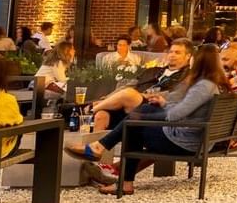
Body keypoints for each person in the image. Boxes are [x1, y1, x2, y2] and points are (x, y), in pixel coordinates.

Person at [78, 43, 227, 194]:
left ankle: (118, 174)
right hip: (197, 139)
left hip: (187, 143)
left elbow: (175, 115)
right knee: (140, 114)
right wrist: (163, 104)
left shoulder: (203, 86)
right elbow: (184, 111)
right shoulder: (211, 83)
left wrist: (143, 118)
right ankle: (101, 149)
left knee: (133, 125)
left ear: (197, 61)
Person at [81, 37, 191, 136]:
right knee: (102, 115)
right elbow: (129, 85)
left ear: (188, 56)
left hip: (153, 107)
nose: (172, 55)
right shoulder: (153, 70)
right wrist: (108, 98)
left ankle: (91, 109)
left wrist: (144, 95)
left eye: (177, 52)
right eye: (171, 51)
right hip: (129, 103)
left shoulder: (187, 76)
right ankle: (95, 151)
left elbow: (174, 96)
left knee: (129, 93)